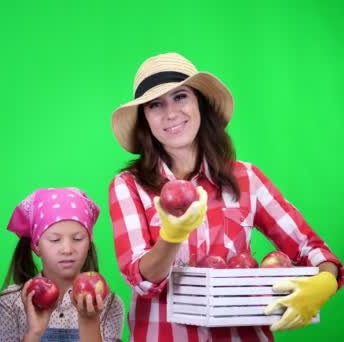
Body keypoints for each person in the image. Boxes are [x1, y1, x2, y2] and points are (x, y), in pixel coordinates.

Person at [108, 52, 342, 341]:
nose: (170, 113)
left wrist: (324, 281)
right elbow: (142, 280)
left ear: (200, 104)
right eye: (155, 104)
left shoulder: (247, 178)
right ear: (145, 119)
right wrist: (171, 237)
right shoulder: (129, 185)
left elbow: (312, 247)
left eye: (180, 97)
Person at [0, 187, 125, 342]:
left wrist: (89, 321)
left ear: (89, 243)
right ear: (36, 246)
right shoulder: (10, 302)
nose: (67, 250)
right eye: (55, 240)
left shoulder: (108, 303)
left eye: (78, 238)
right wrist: (34, 332)